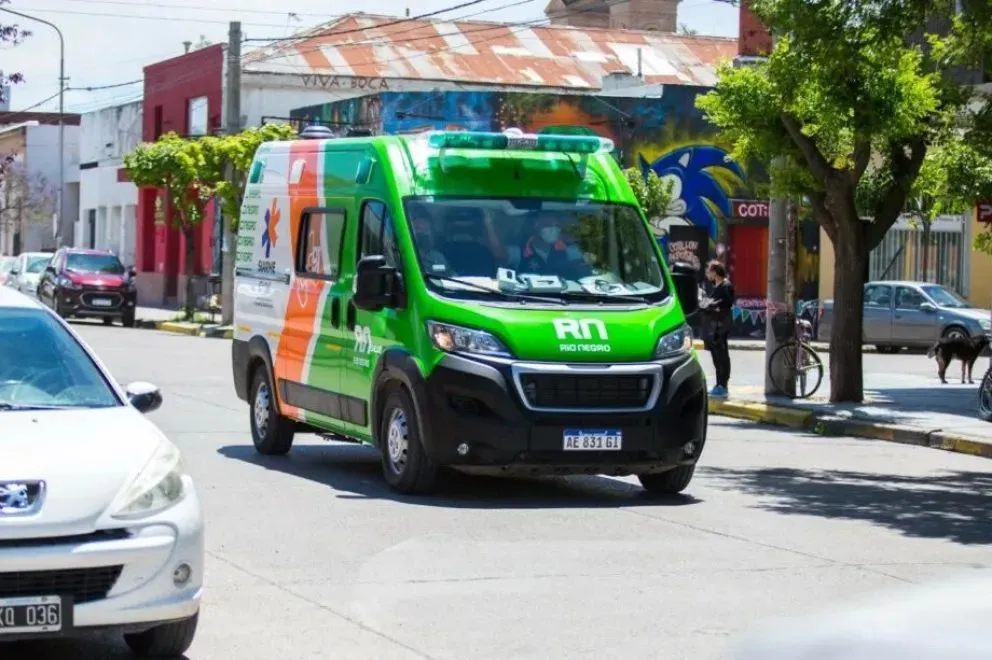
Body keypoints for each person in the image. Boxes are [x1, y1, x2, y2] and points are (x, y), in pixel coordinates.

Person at [699, 259, 735, 398]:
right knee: (716, 356)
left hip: (721, 327)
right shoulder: (716, 286)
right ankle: (718, 384)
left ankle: (723, 386)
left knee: (721, 356)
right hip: (714, 327)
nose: (707, 275)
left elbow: (726, 304)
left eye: (709, 272)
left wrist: (713, 305)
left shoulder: (726, 286)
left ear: (715, 272)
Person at [519, 212, 589, 278]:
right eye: (548, 225)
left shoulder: (568, 250)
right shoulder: (519, 251)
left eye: (557, 226)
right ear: (536, 226)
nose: (554, 229)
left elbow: (584, 271)